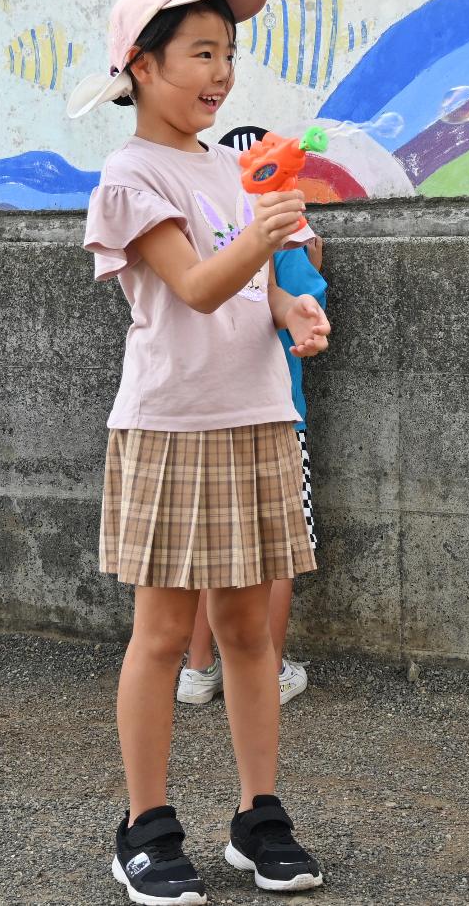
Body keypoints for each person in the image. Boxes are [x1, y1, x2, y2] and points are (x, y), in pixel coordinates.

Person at [71, 0, 333, 903]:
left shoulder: (228, 166)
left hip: (257, 414)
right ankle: (144, 827)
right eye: (202, 52)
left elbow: (252, 293)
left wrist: (294, 305)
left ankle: (261, 816)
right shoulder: (129, 176)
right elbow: (194, 283)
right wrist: (265, 240)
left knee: (251, 634)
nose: (221, 72)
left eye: (228, 52)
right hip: (172, 427)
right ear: (141, 66)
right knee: (162, 633)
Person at [181, 126, 327, 710]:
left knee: (207, 554)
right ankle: (265, 668)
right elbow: (303, 302)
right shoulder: (286, 238)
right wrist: (312, 256)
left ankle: (197, 670)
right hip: (275, 416)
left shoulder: (208, 229)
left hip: (207, 413)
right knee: (277, 552)